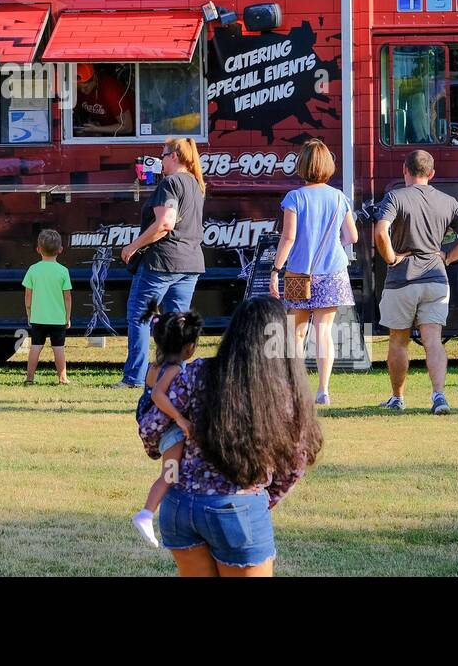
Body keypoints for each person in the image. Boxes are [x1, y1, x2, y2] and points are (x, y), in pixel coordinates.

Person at [138, 297, 321, 576]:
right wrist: (263, 499)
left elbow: (151, 427)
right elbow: (296, 461)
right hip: (239, 506)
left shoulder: (196, 371)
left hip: (180, 506)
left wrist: (166, 446)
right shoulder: (283, 390)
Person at [373, 149, 458, 414]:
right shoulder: (447, 201)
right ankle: (439, 396)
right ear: (432, 174)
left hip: (402, 279)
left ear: (405, 170)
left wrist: (391, 259)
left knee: (398, 341)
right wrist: (448, 257)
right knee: (432, 340)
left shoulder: (395, 197)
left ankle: (398, 398)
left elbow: (380, 232)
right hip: (436, 277)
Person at [269, 139, 357, 405]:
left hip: (299, 273)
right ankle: (323, 390)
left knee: (296, 332)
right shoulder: (340, 197)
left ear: (302, 165)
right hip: (332, 272)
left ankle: (296, 388)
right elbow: (351, 236)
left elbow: (288, 238)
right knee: (323, 332)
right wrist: (332, 245)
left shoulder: (294, 198)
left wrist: (276, 269)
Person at [114, 137, 206, 389]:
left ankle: (134, 377)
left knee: (140, 316)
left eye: (163, 155)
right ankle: (177, 375)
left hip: (163, 262)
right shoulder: (195, 184)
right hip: (191, 262)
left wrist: (134, 246)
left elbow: (165, 224)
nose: (160, 160)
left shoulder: (171, 183)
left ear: (174, 156)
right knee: (178, 323)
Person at [132, 310, 203, 547]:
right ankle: (146, 513)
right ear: (189, 348)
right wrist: (181, 420)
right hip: (170, 433)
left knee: (174, 475)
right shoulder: (173, 370)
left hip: (157, 429)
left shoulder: (155, 365)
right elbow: (157, 395)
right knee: (170, 475)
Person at [22, 229, 72, 384]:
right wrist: (67, 317)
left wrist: (29, 312)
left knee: (36, 346)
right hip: (58, 318)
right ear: (60, 250)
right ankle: (62, 378)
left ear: (38, 249)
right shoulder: (63, 271)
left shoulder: (33, 270)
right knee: (58, 348)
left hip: (38, 317)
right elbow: (67, 297)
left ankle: (30, 377)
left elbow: (28, 295)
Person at [73, 63, 133, 136]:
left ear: (94, 78)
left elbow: (127, 127)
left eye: (85, 87)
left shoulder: (110, 89)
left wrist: (96, 129)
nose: (82, 91)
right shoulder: (78, 92)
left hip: (126, 137)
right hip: (102, 131)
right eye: (79, 88)